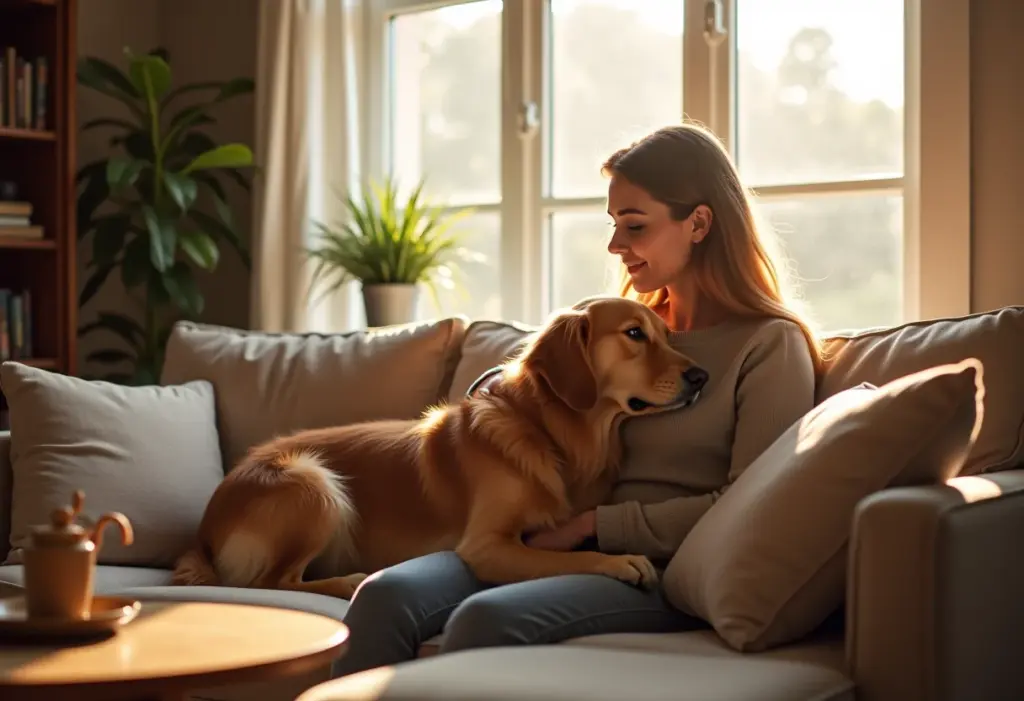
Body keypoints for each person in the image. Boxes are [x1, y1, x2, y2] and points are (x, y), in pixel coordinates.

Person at [332, 122, 822, 676]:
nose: (616, 246)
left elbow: (750, 506)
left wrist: (593, 526)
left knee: (487, 618)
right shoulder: (628, 319)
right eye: (614, 225)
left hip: (659, 568)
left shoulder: (769, 345)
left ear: (699, 224)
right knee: (385, 595)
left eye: (634, 226)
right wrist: (500, 389)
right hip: (550, 542)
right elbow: (538, 374)